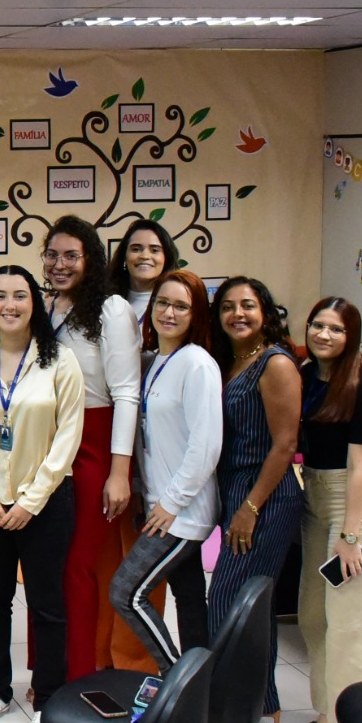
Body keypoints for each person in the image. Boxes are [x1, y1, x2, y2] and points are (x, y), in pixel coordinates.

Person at [0, 264, 84, 723]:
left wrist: (31, 499)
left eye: (21, 295)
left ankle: (48, 699)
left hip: (45, 501)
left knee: (48, 603)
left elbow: (69, 435)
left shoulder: (60, 360)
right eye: (0, 295)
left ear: (35, 303)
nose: (10, 304)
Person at [41, 215, 146, 679]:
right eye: (52, 254)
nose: (60, 264)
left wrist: (119, 471)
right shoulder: (46, 306)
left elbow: (126, 391)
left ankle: (79, 674)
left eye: (70, 255)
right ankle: (50, 668)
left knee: (78, 564)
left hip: (94, 443)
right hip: (48, 443)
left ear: (90, 259)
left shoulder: (111, 309)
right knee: (51, 562)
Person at [297, 296, 362, 723]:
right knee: (314, 617)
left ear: (350, 336)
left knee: (350, 624)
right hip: (315, 501)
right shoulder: (304, 376)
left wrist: (350, 536)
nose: (324, 335)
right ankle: (329, 712)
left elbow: (359, 468)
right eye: (318, 325)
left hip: (354, 509)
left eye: (335, 329)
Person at [108, 270, 220, 671]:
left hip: (181, 512)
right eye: (162, 303)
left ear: (197, 314)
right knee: (190, 598)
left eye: (181, 306)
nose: (168, 313)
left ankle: (177, 677)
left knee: (126, 593)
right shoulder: (156, 362)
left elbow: (205, 446)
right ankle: (201, 681)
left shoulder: (198, 364)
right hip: (160, 504)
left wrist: (171, 504)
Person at [206, 276, 304, 723]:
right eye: (228, 306)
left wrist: (251, 506)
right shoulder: (234, 361)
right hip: (238, 491)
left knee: (226, 598)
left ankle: (226, 708)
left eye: (247, 305)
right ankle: (261, 700)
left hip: (266, 496)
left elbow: (284, 445)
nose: (237, 314)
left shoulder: (275, 363)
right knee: (253, 604)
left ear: (265, 311)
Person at [108, 217, 179, 323]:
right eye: (136, 249)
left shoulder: (178, 303)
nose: (145, 256)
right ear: (124, 256)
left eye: (154, 250)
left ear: (166, 258)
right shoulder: (105, 300)